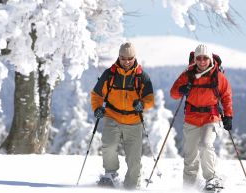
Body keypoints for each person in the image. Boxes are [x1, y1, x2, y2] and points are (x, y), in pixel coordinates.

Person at [90, 42, 155, 189]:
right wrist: (97, 108)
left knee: (134, 158)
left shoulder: (142, 77)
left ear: (134, 57)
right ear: (118, 57)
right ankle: (111, 174)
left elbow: (150, 98)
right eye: (123, 58)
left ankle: (133, 182)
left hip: (133, 121)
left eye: (129, 58)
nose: (126, 62)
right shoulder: (110, 74)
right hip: (112, 116)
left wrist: (142, 105)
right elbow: (96, 95)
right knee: (109, 145)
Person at [170, 44, 233, 190]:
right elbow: (173, 94)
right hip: (191, 118)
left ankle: (211, 178)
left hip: (211, 117)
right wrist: (181, 89)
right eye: (199, 58)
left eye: (205, 58)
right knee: (190, 155)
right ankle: (188, 187)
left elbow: (227, 97)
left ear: (210, 59)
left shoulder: (218, 76)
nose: (202, 61)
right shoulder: (188, 75)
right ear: (195, 59)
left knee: (205, 145)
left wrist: (228, 116)